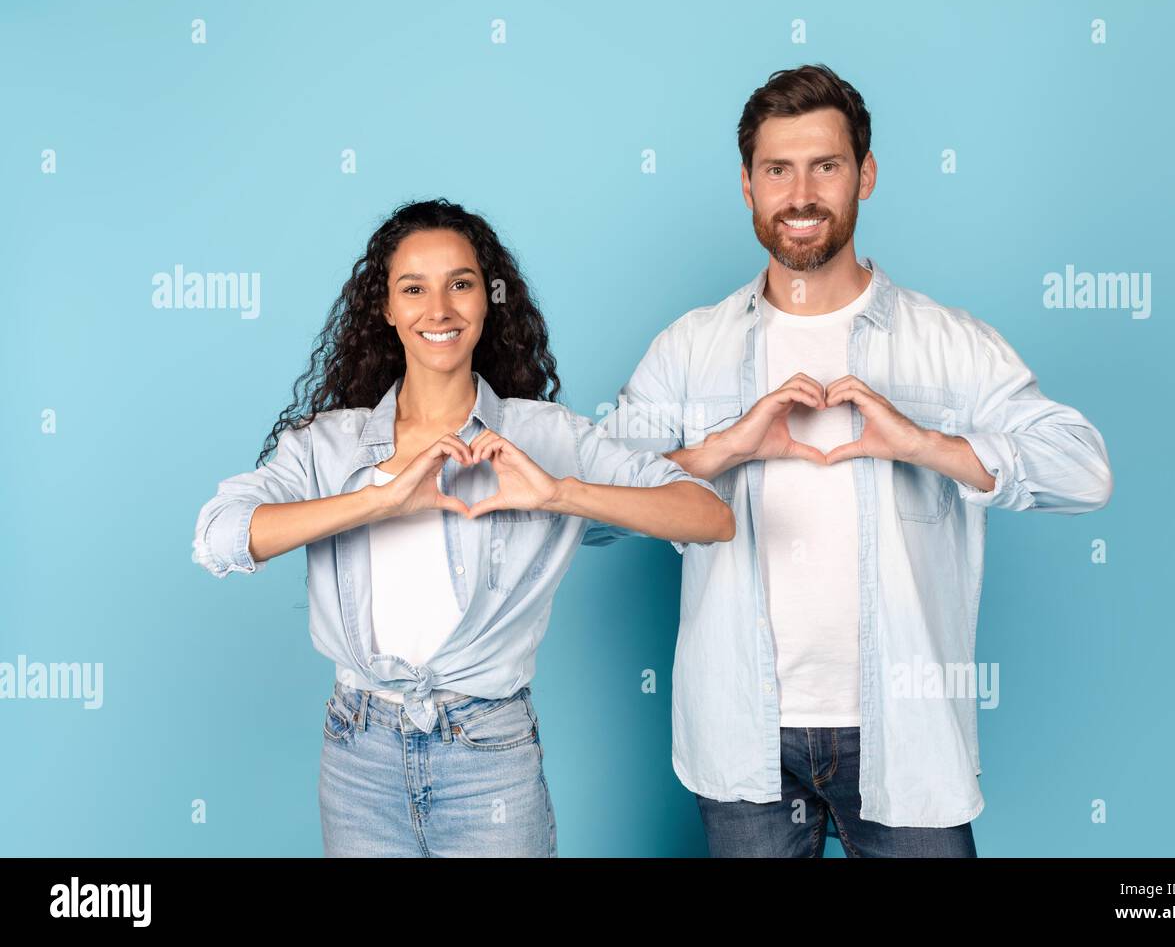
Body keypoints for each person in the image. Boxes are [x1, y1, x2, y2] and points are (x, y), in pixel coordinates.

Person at [586, 64, 1114, 857]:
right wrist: (723, 448)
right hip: (741, 734)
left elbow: (1084, 470)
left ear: (864, 175)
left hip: (904, 730)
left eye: (825, 166)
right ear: (747, 184)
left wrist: (924, 445)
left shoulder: (946, 344)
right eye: (778, 169)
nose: (801, 193)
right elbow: (587, 511)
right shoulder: (691, 349)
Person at [191, 199, 734, 857]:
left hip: (489, 756)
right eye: (413, 289)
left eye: (461, 284)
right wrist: (378, 501)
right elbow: (219, 537)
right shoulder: (326, 447)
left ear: (488, 299)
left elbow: (709, 515)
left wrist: (560, 492)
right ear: (386, 308)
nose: (438, 309)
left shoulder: (547, 438)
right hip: (358, 755)